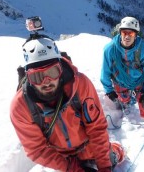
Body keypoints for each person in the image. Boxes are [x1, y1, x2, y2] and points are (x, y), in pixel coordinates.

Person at [10, 34, 123, 172]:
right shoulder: (21, 107)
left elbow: (96, 128)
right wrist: (73, 169)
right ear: (28, 77)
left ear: (61, 69)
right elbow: (37, 149)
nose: (46, 81)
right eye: (37, 76)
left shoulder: (80, 85)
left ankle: (116, 149)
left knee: (110, 159)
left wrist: (105, 166)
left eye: (52, 72)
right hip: (59, 157)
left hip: (87, 146)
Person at [100, 17, 144, 123]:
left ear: (136, 35)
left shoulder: (142, 49)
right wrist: (109, 91)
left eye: (130, 34)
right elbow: (105, 72)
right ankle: (127, 103)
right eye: (124, 33)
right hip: (120, 80)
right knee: (123, 98)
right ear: (120, 33)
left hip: (138, 81)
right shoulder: (110, 49)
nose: (127, 36)